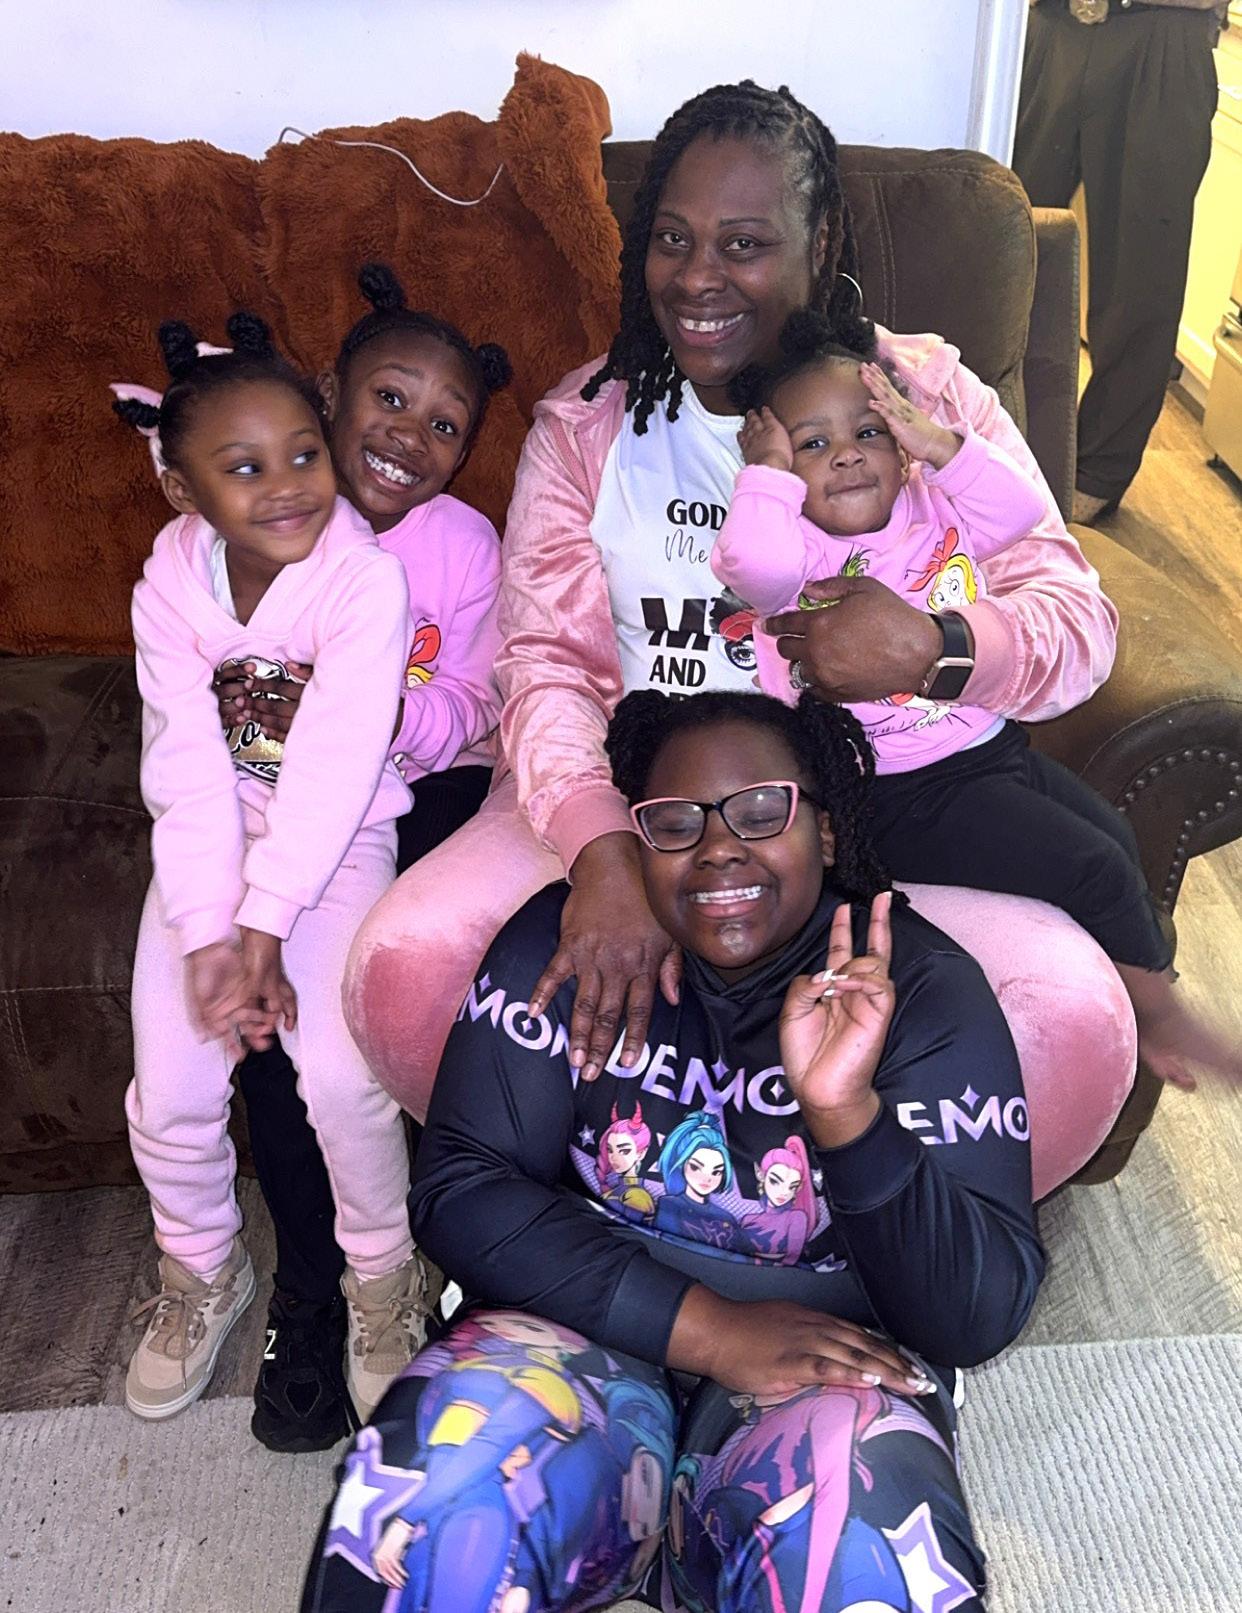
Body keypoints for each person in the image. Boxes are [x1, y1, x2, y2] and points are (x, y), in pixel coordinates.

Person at [344, 79, 1131, 1195]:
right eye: (673, 239)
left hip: (871, 807)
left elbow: (1079, 624)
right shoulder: (587, 426)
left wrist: (935, 648)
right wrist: (604, 854)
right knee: (405, 970)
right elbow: (546, 669)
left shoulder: (915, 397)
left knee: (1075, 1025)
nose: (697, 277)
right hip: (624, 794)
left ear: (823, 242)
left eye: (745, 243)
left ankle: (820, 1231)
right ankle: (625, 1214)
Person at [301, 688, 1045, 1613]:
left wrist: (848, 1115)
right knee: (410, 1523)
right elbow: (459, 1188)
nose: (720, 846)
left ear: (827, 831)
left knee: (873, 1566)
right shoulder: (569, 948)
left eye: (762, 810)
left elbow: (977, 1313)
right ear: (638, 840)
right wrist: (712, 1330)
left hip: (822, 1376)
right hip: (575, 1339)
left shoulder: (920, 990)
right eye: (677, 822)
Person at [712, 311, 1233, 1089]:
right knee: (1093, 865)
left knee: (1114, 835)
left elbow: (1019, 512)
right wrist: (766, 476)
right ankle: (1162, 1014)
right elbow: (748, 564)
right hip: (898, 796)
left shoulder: (930, 501)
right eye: (812, 445)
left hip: (987, 750)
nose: (846, 454)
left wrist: (939, 444)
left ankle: (1139, 974)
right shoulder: (796, 549)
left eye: (868, 432)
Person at [208, 265, 511, 1451]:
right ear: (327, 393)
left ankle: (426, 1255)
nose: (409, 436)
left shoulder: (464, 543)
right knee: (271, 1017)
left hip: (421, 787)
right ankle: (308, 1283)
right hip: (283, 802)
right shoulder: (261, 516)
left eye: (445, 424)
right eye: (389, 399)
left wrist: (374, 710)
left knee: (399, 987)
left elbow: (474, 701)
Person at [118, 313, 423, 1427]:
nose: (289, 485)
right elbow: (186, 771)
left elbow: (336, 768)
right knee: (172, 1084)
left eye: (303, 452)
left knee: (341, 1076)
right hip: (212, 856)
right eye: (243, 468)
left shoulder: (365, 581)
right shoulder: (166, 587)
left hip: (332, 849)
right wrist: (214, 931)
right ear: (182, 489)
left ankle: (384, 1273)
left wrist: (269, 927)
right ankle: (201, 1265)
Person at [1011, 0, 1223, 524]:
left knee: (1140, 273)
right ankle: (984, 431)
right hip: (1052, 26)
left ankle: (1099, 469)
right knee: (1000, 239)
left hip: (1164, 36)